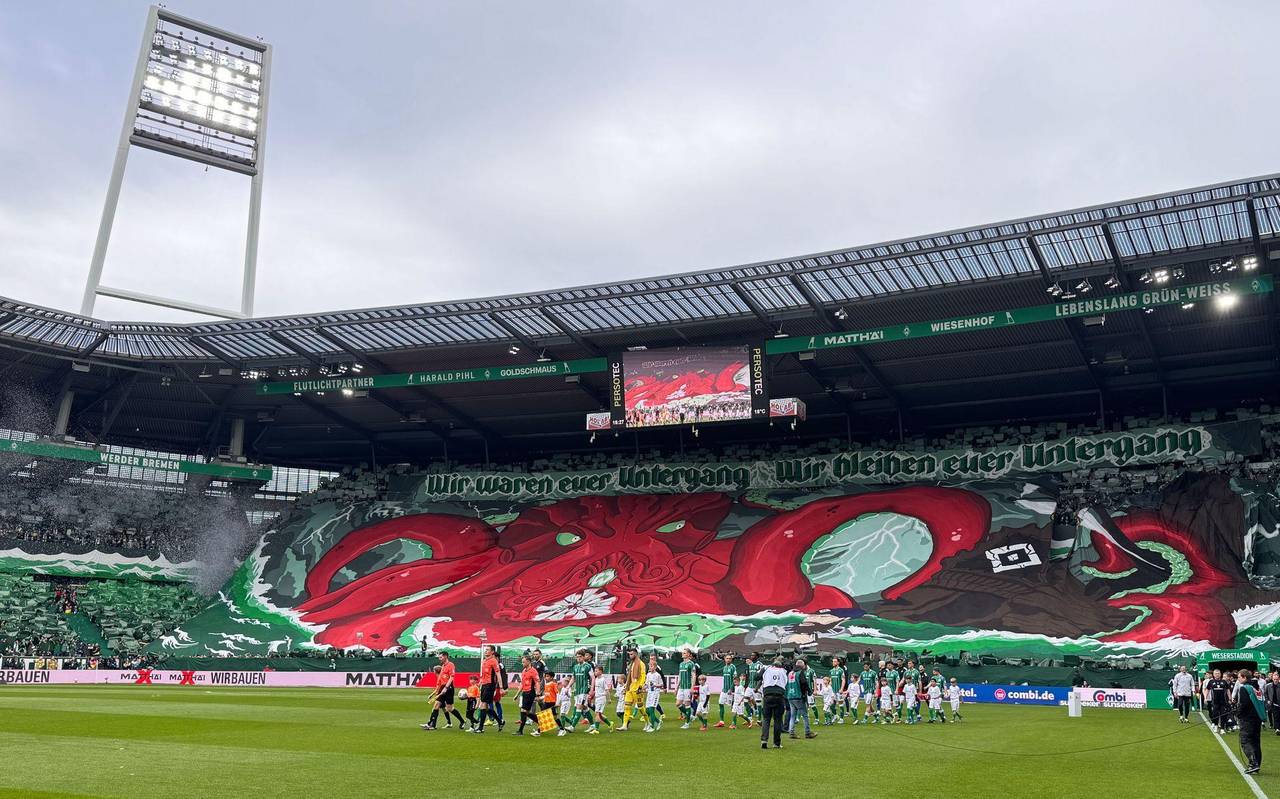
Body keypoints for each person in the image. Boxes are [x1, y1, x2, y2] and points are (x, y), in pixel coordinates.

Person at [422, 651, 466, 730]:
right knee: (436, 705)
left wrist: (445, 688)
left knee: (450, 708)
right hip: (443, 687)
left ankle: (462, 721)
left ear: (445, 656)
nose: (440, 659)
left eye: (441, 657)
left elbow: (452, 677)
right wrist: (440, 689)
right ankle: (433, 725)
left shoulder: (451, 665)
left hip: (448, 688)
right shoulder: (443, 666)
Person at [1234, 669, 1265, 774]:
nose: (1238, 679)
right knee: (1256, 742)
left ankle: (1253, 763)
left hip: (1247, 719)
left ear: (1244, 677)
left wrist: (1237, 713)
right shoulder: (1256, 687)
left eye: (1239, 677)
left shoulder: (1244, 688)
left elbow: (1244, 704)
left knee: (1245, 741)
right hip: (1257, 718)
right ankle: (1257, 764)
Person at [759, 656, 789, 750]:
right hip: (779, 695)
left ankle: (764, 740)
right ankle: (776, 743)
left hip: (768, 694)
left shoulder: (766, 669)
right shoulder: (783, 671)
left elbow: (756, 677)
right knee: (778, 720)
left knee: (766, 719)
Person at [472, 645, 500, 733]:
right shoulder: (484, 661)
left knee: (482, 705)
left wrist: (502, 687)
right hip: (484, 684)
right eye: (485, 650)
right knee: (486, 707)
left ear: (492, 652)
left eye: (488, 650)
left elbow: (498, 675)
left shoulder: (494, 661)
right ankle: (500, 721)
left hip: (490, 685)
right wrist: (480, 682)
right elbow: (483, 675)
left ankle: (480, 728)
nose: (486, 651)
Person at [787, 658, 816, 739]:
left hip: (790, 696)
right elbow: (804, 683)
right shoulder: (800, 672)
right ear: (802, 666)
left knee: (792, 716)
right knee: (805, 715)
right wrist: (809, 691)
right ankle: (808, 732)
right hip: (798, 696)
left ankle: (791, 732)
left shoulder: (790, 673)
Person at [514, 655, 541, 736]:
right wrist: (517, 694)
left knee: (523, 711)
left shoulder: (533, 671)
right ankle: (540, 721)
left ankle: (520, 731)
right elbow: (522, 684)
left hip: (530, 693)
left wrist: (538, 693)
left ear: (529, 662)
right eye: (522, 662)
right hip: (524, 693)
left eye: (523, 662)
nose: (522, 663)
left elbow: (537, 682)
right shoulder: (524, 671)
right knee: (526, 712)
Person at [621, 647, 647, 731]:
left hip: (637, 689)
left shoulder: (641, 664)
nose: (630, 656)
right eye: (629, 654)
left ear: (636, 654)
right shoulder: (631, 664)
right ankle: (624, 725)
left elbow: (643, 675)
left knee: (640, 708)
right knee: (627, 707)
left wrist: (641, 686)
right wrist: (626, 685)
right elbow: (630, 677)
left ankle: (648, 723)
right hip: (630, 688)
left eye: (631, 654)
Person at [676, 649, 699, 728]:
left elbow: (694, 676)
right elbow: (680, 676)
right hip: (681, 687)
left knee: (687, 704)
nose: (683, 654)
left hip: (687, 687)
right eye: (682, 653)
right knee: (678, 704)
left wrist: (692, 687)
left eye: (684, 653)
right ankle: (689, 715)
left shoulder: (691, 664)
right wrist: (676, 687)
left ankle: (687, 723)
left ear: (689, 654)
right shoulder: (681, 664)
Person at [588, 665, 612, 733]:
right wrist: (593, 697)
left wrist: (609, 699)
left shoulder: (603, 679)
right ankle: (610, 724)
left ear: (601, 671)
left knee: (597, 713)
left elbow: (607, 690)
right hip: (597, 698)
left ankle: (596, 729)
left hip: (602, 698)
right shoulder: (596, 679)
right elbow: (597, 690)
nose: (595, 672)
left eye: (596, 671)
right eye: (595, 671)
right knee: (600, 715)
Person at [644, 654, 665, 733]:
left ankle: (652, 726)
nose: (650, 667)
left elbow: (661, 684)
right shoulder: (648, 674)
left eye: (652, 666)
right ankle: (658, 721)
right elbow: (646, 684)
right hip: (649, 694)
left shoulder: (657, 675)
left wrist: (656, 685)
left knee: (652, 709)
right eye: (650, 666)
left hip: (655, 694)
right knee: (647, 711)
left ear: (655, 667)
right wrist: (641, 688)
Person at [1206, 669, 1231, 733]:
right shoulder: (1211, 682)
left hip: (1223, 701)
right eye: (1216, 673)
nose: (1217, 674)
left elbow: (1228, 690)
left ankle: (1222, 729)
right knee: (1215, 714)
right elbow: (1207, 690)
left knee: (1223, 715)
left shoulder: (1224, 681)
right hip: (1215, 702)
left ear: (1220, 674)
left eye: (1218, 673)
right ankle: (1216, 726)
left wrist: (1230, 699)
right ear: (1213, 674)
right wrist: (1205, 698)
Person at [716, 652, 738, 728]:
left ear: (731, 660)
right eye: (727, 658)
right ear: (724, 659)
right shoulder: (724, 668)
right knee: (720, 703)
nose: (728, 660)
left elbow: (735, 679)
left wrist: (731, 689)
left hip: (730, 691)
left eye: (729, 658)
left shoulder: (733, 667)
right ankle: (721, 722)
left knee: (732, 706)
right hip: (724, 690)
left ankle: (734, 723)